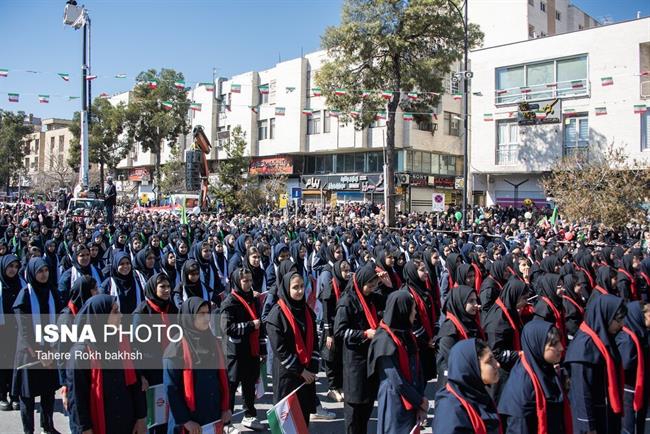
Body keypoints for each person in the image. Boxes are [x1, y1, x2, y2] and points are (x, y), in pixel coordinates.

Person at [66, 294, 147, 434]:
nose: (121, 315)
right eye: (115, 311)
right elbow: (77, 399)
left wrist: (141, 418)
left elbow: (135, 384)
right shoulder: (81, 352)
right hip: (100, 422)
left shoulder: (123, 342)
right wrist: (85, 429)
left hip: (126, 419)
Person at [163, 297, 231, 433]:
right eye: (201, 314)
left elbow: (222, 377)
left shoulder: (212, 341)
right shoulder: (176, 348)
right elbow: (171, 389)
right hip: (188, 422)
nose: (206, 318)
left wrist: (226, 408)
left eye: (208, 313)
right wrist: (186, 420)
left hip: (213, 416)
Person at [565, 294, 626, 434]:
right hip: (594, 419)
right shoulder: (583, 348)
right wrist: (589, 428)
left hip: (606, 411)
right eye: (618, 320)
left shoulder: (603, 336)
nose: (621, 325)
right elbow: (582, 393)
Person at [368, 291, 428, 434]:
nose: (415, 313)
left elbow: (417, 369)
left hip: (412, 400)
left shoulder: (406, 333)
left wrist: (420, 401)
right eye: (412, 309)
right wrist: (419, 401)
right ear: (403, 310)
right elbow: (396, 380)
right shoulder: (384, 340)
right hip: (394, 404)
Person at [12, 258, 61, 434]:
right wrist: (39, 353)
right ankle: (28, 430)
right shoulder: (24, 295)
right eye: (40, 271)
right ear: (32, 273)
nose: (44, 274)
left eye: (46, 270)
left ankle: (47, 426)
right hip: (29, 353)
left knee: (48, 392)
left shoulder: (52, 292)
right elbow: (24, 330)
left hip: (50, 349)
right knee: (28, 396)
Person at [266, 272, 319, 428]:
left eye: (302, 286)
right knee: (287, 423)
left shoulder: (307, 311)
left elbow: (315, 341)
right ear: (286, 288)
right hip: (287, 376)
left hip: (306, 376)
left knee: (303, 420)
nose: (300, 291)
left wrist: (312, 368)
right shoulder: (276, 314)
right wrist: (301, 371)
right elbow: (280, 350)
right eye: (295, 287)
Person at [498, 321, 571, 434]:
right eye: (554, 344)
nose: (561, 348)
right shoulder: (522, 388)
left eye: (559, 342)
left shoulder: (545, 369)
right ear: (537, 346)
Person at [334, 264, 380, 434]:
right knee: (354, 414)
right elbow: (339, 332)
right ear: (360, 283)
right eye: (370, 285)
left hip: (369, 360)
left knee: (366, 409)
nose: (373, 289)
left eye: (375, 285)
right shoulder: (347, 301)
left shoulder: (370, 298)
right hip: (354, 363)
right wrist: (363, 334)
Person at [133, 273, 179, 434]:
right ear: (153, 288)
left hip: (170, 367)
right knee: (155, 415)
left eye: (168, 286)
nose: (167, 290)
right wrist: (141, 375)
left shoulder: (171, 308)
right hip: (151, 372)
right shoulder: (142, 313)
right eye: (162, 287)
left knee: (170, 413)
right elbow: (135, 347)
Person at [220, 268, 265, 431]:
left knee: (249, 385)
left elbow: (260, 325)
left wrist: (263, 349)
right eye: (244, 281)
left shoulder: (253, 299)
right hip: (235, 353)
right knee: (231, 387)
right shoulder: (230, 302)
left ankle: (249, 415)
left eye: (250, 280)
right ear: (237, 282)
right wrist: (250, 325)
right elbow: (227, 328)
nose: (248, 284)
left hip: (251, 351)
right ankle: (226, 422)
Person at [432, 339, 502, 434]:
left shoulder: (476, 392)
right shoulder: (451, 410)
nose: (497, 364)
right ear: (472, 366)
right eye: (489, 360)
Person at [481, 278, 528, 401]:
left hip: (513, 369)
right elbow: (496, 352)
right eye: (524, 298)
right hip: (501, 375)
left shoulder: (509, 310)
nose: (526, 302)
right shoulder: (497, 322)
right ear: (514, 297)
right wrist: (519, 354)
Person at [436, 285, 484, 388]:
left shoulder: (471, 321)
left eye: (476, 300)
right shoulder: (449, 331)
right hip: (454, 385)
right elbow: (454, 360)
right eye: (471, 301)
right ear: (460, 302)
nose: (476, 304)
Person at [615, 300, 650, 434]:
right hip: (630, 389)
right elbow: (626, 363)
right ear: (640, 317)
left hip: (640, 386)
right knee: (630, 425)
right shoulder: (627, 338)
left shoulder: (640, 331)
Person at [319, 258, 350, 402]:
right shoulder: (330, 288)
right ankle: (332, 388)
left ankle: (340, 385)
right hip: (330, 330)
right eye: (344, 270)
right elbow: (326, 314)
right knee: (331, 360)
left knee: (340, 359)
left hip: (342, 328)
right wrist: (329, 335)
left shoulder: (347, 285)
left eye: (348, 270)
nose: (346, 273)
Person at [401, 260, 438, 382]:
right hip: (416, 342)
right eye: (422, 270)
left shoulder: (425, 290)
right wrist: (426, 339)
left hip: (429, 340)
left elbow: (434, 313)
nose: (426, 272)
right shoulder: (407, 293)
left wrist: (435, 334)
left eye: (425, 269)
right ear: (412, 273)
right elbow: (412, 322)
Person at [0, 255, 23, 411]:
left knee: (16, 364)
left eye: (15, 266)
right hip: (2, 330)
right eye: (10, 266)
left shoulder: (21, 283)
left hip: (18, 330)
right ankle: (2, 395)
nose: (13, 270)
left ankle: (15, 395)